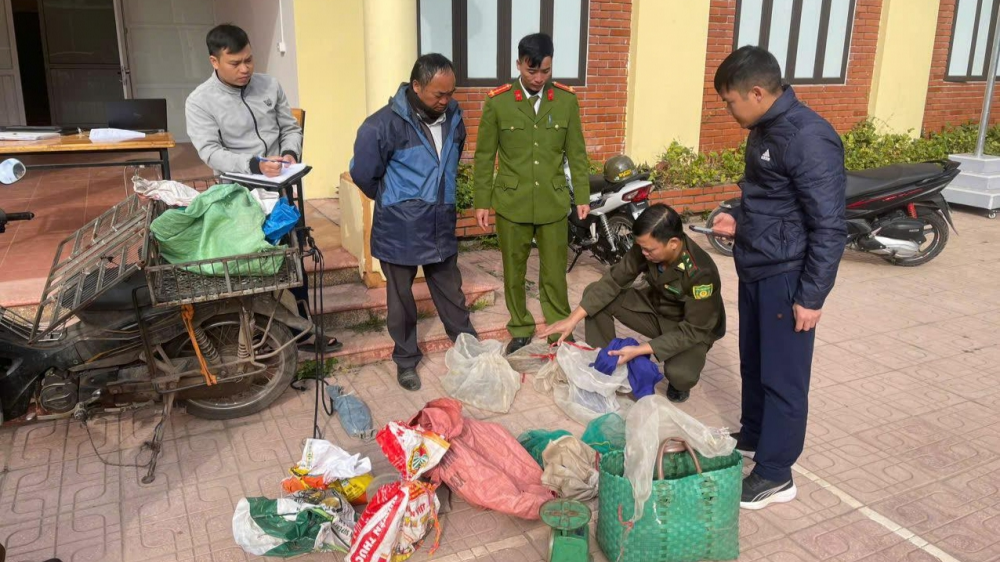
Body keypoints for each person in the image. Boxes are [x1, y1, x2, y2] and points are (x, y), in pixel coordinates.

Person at [711, 46, 846, 510]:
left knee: (784, 377)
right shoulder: (765, 127)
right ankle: (753, 435)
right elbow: (768, 200)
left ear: (756, 92)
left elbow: (829, 225)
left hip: (788, 276)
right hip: (757, 266)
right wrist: (735, 217)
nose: (728, 111)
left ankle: (775, 473)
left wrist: (811, 296)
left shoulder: (809, 138)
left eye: (730, 102)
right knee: (754, 362)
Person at [185, 23, 340, 353]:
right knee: (250, 266)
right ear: (215, 61)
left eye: (249, 60)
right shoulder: (200, 101)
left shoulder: (270, 85)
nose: (245, 69)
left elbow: (290, 128)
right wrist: (254, 165)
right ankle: (253, 337)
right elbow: (210, 151)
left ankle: (303, 331)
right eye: (235, 63)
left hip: (283, 191)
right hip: (239, 197)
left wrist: (288, 154)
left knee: (293, 260)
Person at [349, 54, 477, 391]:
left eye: (450, 93)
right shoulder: (381, 125)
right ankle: (406, 360)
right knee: (401, 300)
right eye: (438, 95)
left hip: (440, 220)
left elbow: (453, 156)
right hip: (399, 226)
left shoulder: (453, 117)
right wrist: (397, 198)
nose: (446, 101)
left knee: (451, 291)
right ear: (416, 87)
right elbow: (364, 175)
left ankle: (469, 348)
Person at [472, 32, 590, 355]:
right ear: (519, 65)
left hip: (552, 201)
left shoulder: (566, 101)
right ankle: (521, 327)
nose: (538, 79)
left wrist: (582, 195)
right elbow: (484, 156)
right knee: (514, 269)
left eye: (545, 71)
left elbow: (576, 154)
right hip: (512, 202)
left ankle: (558, 330)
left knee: (555, 272)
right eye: (531, 71)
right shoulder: (498, 103)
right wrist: (481, 200)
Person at [540, 204, 725, 403]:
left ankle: (679, 382)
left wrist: (640, 349)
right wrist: (572, 319)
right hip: (656, 307)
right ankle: (605, 362)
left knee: (681, 375)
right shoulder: (647, 246)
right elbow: (615, 279)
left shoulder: (701, 273)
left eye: (649, 249)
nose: (643, 253)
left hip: (688, 327)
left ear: (673, 243)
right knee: (595, 293)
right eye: (641, 247)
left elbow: (693, 330)